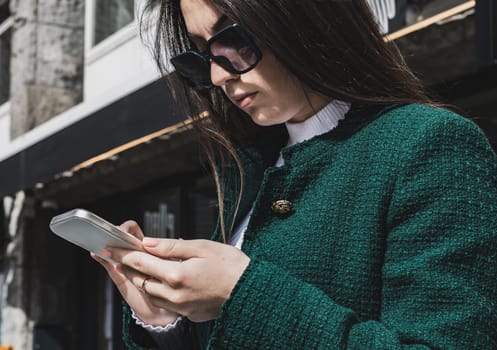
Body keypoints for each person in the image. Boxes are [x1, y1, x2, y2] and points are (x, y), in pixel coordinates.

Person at [91, 0, 497, 348]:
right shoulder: (254, 167)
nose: (218, 75)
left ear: (302, 16)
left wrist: (242, 293)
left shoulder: (430, 144)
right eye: (199, 56)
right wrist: (168, 321)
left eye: (231, 41)